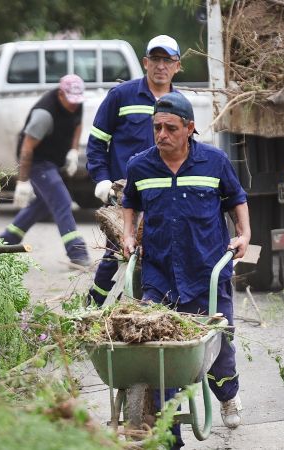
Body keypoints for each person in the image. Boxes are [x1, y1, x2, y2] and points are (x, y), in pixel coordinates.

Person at [121, 92, 250, 447]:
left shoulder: (214, 162)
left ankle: (227, 394)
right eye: (157, 128)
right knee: (162, 356)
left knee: (219, 349)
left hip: (207, 271)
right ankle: (170, 436)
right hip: (160, 274)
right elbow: (129, 200)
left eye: (170, 128)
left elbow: (236, 197)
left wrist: (244, 234)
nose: (161, 134)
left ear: (189, 128)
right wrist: (129, 234)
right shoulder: (140, 167)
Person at [85, 34, 183, 305]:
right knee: (116, 252)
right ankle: (94, 307)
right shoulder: (122, 96)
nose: (160, 65)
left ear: (177, 66)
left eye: (167, 60)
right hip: (125, 193)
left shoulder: (180, 104)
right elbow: (96, 143)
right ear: (145, 62)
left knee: (163, 250)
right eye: (155, 59)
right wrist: (103, 181)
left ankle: (153, 307)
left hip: (163, 194)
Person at [0, 75, 91, 267]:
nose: (74, 106)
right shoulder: (44, 115)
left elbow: (78, 124)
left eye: (77, 102)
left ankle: (5, 242)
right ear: (60, 94)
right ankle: (77, 252)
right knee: (62, 200)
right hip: (36, 160)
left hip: (53, 159)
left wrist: (74, 151)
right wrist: (22, 181)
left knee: (43, 203)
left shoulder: (76, 102)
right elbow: (26, 148)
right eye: (70, 101)